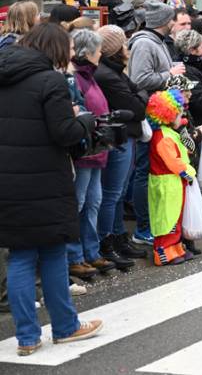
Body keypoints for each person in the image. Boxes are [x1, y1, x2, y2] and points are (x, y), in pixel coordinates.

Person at [0, 23, 103, 356]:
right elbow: (65, 134)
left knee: (20, 257)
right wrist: (83, 120)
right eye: (68, 50)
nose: (70, 56)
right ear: (54, 49)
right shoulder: (50, 81)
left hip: (8, 180)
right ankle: (65, 326)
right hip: (45, 179)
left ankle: (27, 337)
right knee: (54, 254)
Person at [127, 0, 183, 248]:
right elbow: (139, 79)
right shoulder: (143, 43)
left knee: (156, 170)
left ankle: (157, 223)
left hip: (160, 110)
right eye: (172, 19)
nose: (174, 23)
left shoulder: (156, 42)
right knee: (145, 170)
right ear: (163, 22)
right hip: (150, 112)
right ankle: (143, 228)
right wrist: (169, 75)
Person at [93, 25, 147, 267]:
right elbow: (137, 106)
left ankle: (117, 236)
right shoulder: (107, 75)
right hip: (119, 138)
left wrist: (140, 97)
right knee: (112, 194)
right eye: (124, 44)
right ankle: (107, 241)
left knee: (116, 193)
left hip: (126, 136)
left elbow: (138, 94)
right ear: (115, 50)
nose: (128, 48)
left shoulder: (115, 72)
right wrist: (141, 98)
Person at [68, 29, 117, 279]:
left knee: (93, 202)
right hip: (86, 149)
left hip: (96, 148)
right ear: (87, 52)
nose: (101, 54)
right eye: (98, 50)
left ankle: (90, 251)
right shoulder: (77, 77)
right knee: (80, 202)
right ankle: (75, 256)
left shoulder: (89, 75)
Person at [144, 89, 196, 266]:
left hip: (173, 182)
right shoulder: (163, 137)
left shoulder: (169, 133)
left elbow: (185, 150)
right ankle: (163, 251)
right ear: (168, 115)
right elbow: (173, 162)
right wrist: (189, 172)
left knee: (175, 218)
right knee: (167, 219)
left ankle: (175, 247)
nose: (181, 116)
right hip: (166, 183)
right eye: (178, 113)